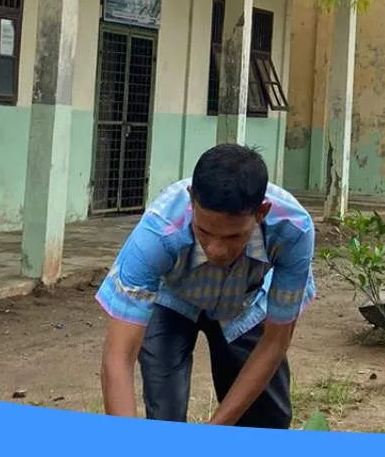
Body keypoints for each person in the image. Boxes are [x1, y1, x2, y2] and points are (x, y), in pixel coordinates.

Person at [96, 143, 316, 429]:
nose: (216, 250)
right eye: (204, 231)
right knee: (166, 417)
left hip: (244, 302)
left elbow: (275, 341)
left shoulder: (293, 230)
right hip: (172, 299)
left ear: (262, 212)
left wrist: (214, 430)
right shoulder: (158, 232)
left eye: (233, 237)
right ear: (191, 200)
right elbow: (118, 357)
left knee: (268, 419)